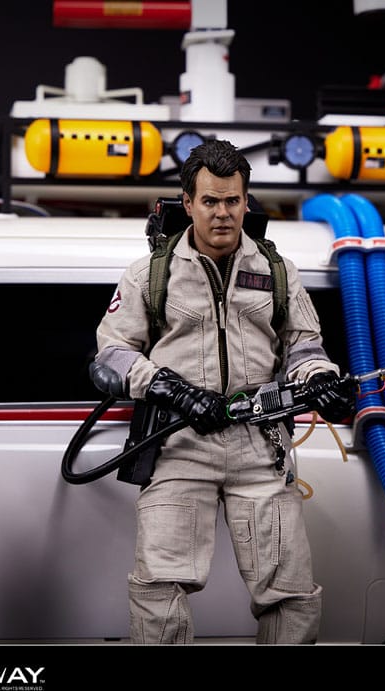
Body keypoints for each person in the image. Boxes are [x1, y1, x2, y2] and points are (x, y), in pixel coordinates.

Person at [91, 139, 355, 643]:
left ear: (246, 201)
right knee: (159, 588)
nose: (222, 213)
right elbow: (112, 355)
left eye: (233, 200)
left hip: (260, 446)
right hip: (178, 444)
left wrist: (318, 377)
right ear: (188, 203)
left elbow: (304, 347)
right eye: (210, 201)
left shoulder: (277, 271)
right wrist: (170, 388)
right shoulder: (151, 273)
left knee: (291, 594)